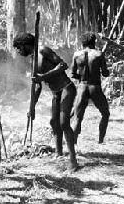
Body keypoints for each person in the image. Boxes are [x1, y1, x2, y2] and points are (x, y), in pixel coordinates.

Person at [13, 33, 78, 172]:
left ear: (26, 44)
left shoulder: (43, 50)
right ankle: (59, 153)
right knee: (54, 123)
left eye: (19, 48)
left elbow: (63, 65)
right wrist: (32, 107)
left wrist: (44, 76)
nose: (18, 51)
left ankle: (73, 160)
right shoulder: (32, 61)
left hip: (67, 88)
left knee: (63, 122)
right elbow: (37, 86)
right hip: (56, 93)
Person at [71, 32, 110, 144]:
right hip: (95, 87)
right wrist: (105, 70)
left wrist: (82, 77)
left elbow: (73, 74)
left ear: (83, 43)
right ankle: (100, 141)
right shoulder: (98, 54)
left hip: (82, 87)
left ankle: (74, 143)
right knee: (105, 114)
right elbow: (105, 73)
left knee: (78, 117)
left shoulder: (76, 55)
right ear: (94, 42)